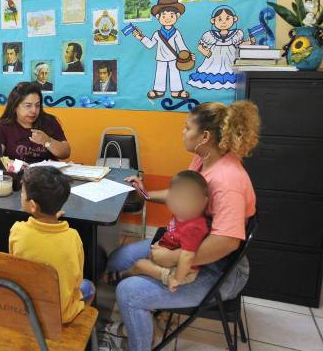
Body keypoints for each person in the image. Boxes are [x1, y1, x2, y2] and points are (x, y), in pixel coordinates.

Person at [104, 101, 260, 351]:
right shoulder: (204, 158)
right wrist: (145, 193)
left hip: (219, 269)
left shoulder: (227, 180)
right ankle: (140, 318)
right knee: (117, 259)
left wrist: (174, 258)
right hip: (185, 244)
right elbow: (182, 195)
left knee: (129, 291)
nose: (182, 132)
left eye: (187, 127)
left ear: (205, 136)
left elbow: (227, 242)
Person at [9, 167, 95, 323]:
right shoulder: (73, 237)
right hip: (60, 316)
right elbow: (76, 281)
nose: (21, 196)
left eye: (22, 193)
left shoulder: (17, 230)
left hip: (24, 309)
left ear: (33, 205)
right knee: (88, 286)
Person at [106, 170, 209, 292]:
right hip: (168, 256)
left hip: (181, 271)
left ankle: (122, 277)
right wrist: (140, 189)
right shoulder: (184, 213)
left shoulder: (194, 227)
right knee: (144, 260)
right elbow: (148, 196)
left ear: (203, 202)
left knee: (140, 265)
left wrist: (176, 279)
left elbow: (187, 256)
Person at [132, 0, 194, 100]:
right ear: (158, 17)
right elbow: (150, 44)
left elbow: (182, 46)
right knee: (160, 74)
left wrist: (187, 55)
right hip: (161, 58)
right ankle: (158, 90)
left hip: (174, 58)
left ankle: (177, 91)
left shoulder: (176, 33)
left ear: (177, 16)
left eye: (171, 15)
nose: (167, 18)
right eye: (163, 15)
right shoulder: (157, 34)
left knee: (175, 74)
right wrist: (141, 38)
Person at [0, 82, 71, 164]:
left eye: (37, 105)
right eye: (28, 106)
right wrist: (12, 164)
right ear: (15, 107)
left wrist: (47, 141)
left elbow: (66, 153)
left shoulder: (49, 122)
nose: (34, 110)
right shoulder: (4, 126)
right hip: (17, 173)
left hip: (46, 174)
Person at [188, 5, 254, 90]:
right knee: (212, 71)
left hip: (230, 55)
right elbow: (200, 46)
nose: (223, 22)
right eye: (219, 19)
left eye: (227, 18)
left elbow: (240, 44)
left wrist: (250, 42)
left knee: (230, 70)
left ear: (234, 19)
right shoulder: (210, 35)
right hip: (214, 56)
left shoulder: (237, 34)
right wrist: (205, 52)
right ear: (213, 20)